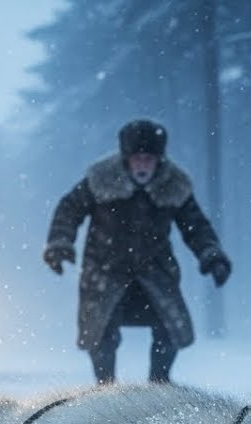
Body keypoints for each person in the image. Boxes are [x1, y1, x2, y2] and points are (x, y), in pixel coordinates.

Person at [43, 119, 232, 384]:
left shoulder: (174, 186)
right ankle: (105, 389)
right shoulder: (100, 181)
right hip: (105, 272)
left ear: (159, 160)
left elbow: (196, 226)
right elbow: (69, 210)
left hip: (154, 272)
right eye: (137, 158)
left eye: (149, 159)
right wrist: (60, 245)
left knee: (169, 329)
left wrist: (212, 256)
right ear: (126, 159)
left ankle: (159, 384)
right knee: (101, 334)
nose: (143, 165)